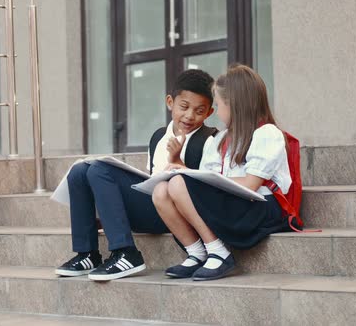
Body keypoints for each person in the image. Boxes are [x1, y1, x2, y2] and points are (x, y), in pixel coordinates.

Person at [55, 69, 218, 281]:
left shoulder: (210, 140)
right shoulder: (159, 137)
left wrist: (180, 164)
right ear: (170, 102)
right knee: (80, 171)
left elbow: (207, 189)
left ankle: (126, 253)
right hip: (151, 205)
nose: (189, 116)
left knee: (101, 169)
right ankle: (87, 254)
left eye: (199, 110)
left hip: (175, 213)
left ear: (209, 113)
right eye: (184, 107)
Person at [152, 64, 293, 281]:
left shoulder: (267, 134)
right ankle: (197, 252)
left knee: (179, 184)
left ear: (235, 105)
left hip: (260, 207)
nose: (215, 112)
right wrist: (181, 164)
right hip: (235, 202)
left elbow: (250, 185)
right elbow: (206, 179)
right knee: (161, 190)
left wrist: (192, 178)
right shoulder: (219, 140)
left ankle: (218, 251)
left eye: (218, 105)